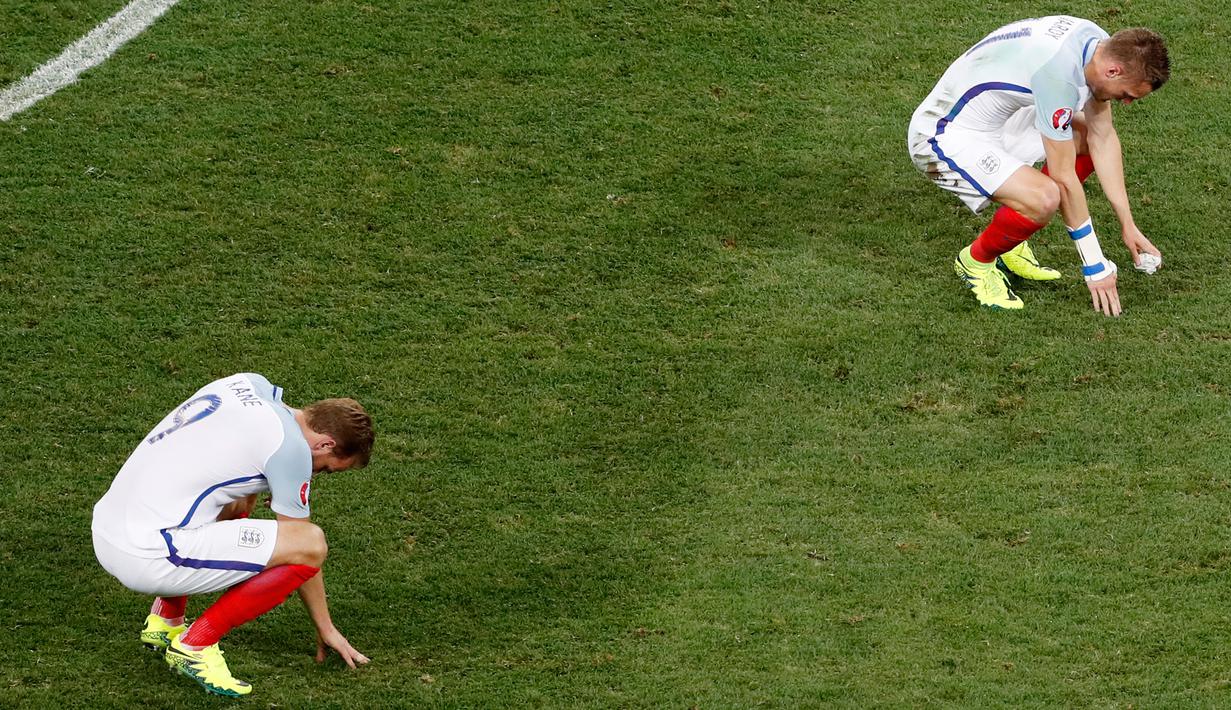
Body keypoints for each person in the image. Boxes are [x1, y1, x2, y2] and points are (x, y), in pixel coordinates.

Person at [92, 373, 376, 697]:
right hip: (146, 555)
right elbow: (302, 542)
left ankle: (166, 620)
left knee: (239, 495)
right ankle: (196, 645)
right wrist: (325, 627)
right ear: (326, 443)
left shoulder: (248, 385)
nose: (316, 474)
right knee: (311, 544)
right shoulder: (292, 450)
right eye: (325, 467)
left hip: (107, 527)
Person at [907, 16, 1170, 315]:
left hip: (999, 119)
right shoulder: (1058, 77)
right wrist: (1095, 266)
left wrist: (1128, 224)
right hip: (943, 134)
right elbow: (1063, 177)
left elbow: (1103, 137)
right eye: (1127, 94)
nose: (1125, 103)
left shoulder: (1097, 42)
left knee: (1083, 136)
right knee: (1044, 197)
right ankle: (975, 262)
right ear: (1113, 70)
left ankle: (1012, 241)